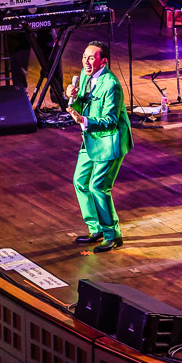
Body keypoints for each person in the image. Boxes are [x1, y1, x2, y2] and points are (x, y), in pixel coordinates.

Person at [65, 42, 133, 253]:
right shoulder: (85, 76)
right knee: (80, 181)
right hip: (91, 138)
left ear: (103, 61)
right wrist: (74, 98)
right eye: (84, 57)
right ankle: (96, 228)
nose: (86, 61)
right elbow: (81, 107)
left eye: (91, 58)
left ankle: (113, 235)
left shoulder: (111, 85)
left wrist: (84, 120)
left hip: (109, 141)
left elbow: (111, 120)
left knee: (98, 187)